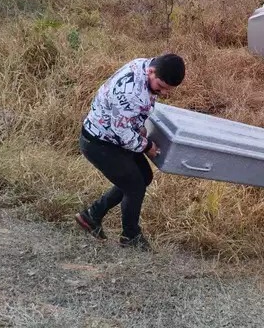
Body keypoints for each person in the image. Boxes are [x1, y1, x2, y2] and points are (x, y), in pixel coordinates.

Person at [75, 54, 185, 250]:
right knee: (134, 185)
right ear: (151, 72)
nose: (164, 93)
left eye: (168, 90)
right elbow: (122, 133)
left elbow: (130, 119)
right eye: (161, 87)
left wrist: (140, 128)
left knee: (143, 176)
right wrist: (147, 146)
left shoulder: (144, 66)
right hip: (99, 143)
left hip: (112, 137)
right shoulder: (130, 91)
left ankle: (92, 215)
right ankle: (131, 236)